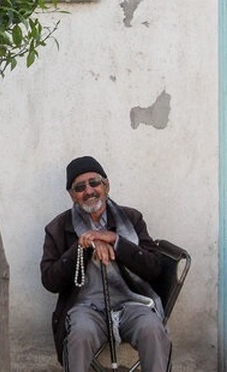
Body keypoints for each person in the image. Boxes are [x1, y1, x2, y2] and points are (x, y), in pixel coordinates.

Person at [40, 155, 172, 372]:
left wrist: (116, 242)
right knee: (79, 335)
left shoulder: (131, 218)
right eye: (80, 187)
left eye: (94, 183)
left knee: (152, 329)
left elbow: (154, 268)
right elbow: (50, 281)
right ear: (72, 195)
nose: (89, 191)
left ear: (106, 185)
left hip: (132, 302)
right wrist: (83, 245)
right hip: (86, 308)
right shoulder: (58, 228)